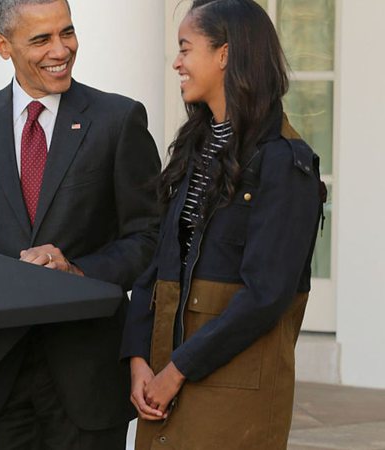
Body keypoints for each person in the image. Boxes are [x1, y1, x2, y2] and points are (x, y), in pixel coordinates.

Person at [0, 0, 161, 447]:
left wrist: (79, 271)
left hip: (87, 375)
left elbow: (149, 238)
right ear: (2, 45)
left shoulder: (119, 120)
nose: (61, 49)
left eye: (66, 33)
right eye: (41, 39)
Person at [121, 0, 325, 448]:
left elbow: (266, 295)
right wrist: (138, 357)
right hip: (166, 381)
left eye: (185, 49)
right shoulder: (195, 149)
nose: (176, 62)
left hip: (232, 392)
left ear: (225, 55)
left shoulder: (285, 163)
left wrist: (176, 371)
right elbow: (158, 261)